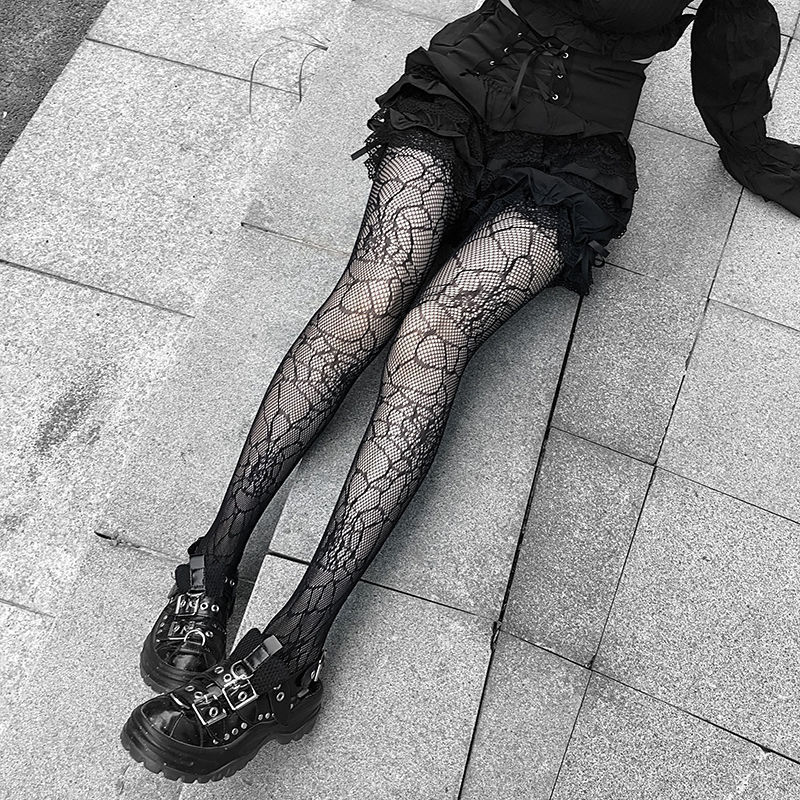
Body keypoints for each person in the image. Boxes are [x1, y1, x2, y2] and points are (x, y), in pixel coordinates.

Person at [120, 0, 799, 783]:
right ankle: (214, 559)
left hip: (574, 153)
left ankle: (293, 656)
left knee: (434, 330)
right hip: (459, 90)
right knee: (375, 290)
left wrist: (749, 147)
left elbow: (738, 35)